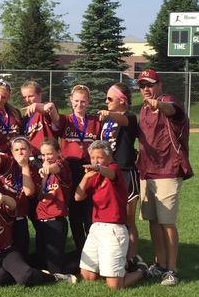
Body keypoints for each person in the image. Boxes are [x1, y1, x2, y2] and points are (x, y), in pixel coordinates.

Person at [136, 68, 191, 287]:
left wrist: (158, 105)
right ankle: (159, 263)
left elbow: (172, 111)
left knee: (167, 222)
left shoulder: (167, 101)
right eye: (142, 86)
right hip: (147, 171)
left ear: (159, 85)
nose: (146, 89)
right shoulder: (143, 109)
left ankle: (172, 270)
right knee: (153, 220)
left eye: (150, 84)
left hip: (168, 170)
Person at [0, 175, 75, 287]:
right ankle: (28, 271)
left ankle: (55, 277)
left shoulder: (1, 204)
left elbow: (13, 205)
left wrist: (3, 198)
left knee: (25, 276)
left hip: (7, 252)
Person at [75, 140, 146, 290]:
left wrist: (98, 168)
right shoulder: (93, 174)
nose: (95, 161)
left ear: (109, 157)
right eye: (92, 158)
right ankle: (119, 265)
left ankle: (142, 271)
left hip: (114, 229)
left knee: (114, 286)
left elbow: (110, 173)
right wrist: (86, 177)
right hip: (96, 228)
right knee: (88, 276)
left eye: (99, 157)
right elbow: (78, 197)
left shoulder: (114, 169)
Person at [98, 82, 143, 272]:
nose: (106, 102)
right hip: (109, 173)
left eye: (110, 98)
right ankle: (115, 256)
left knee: (127, 219)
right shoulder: (107, 121)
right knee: (112, 218)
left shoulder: (129, 117)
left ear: (122, 101)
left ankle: (131, 259)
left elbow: (124, 121)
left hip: (125, 173)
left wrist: (110, 114)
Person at [55, 84, 102, 253]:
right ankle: (79, 248)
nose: (79, 105)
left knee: (90, 211)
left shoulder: (95, 122)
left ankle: (92, 248)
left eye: (83, 101)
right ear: (71, 100)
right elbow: (51, 115)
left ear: (88, 102)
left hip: (90, 170)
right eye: (76, 101)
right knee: (74, 212)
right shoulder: (65, 120)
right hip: (70, 170)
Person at [0, 136, 37, 259]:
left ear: (30, 151)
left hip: (20, 216)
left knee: (22, 254)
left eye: (23, 149)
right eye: (16, 150)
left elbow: (28, 192)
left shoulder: (34, 168)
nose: (20, 152)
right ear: (11, 152)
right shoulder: (8, 161)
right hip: (3, 217)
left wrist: (24, 166)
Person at [33, 138, 74, 274]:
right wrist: (44, 178)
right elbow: (39, 196)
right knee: (41, 263)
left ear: (58, 152)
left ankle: (82, 261)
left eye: (49, 154)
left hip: (56, 219)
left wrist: (46, 169)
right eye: (43, 155)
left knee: (55, 269)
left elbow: (55, 167)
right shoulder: (43, 171)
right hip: (41, 219)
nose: (46, 157)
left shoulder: (63, 165)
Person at [19, 80, 59, 157]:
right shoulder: (26, 116)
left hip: (46, 157)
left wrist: (37, 106)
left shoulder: (46, 109)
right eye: (24, 97)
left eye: (30, 96)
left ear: (39, 95)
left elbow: (48, 108)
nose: (27, 100)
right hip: (31, 157)